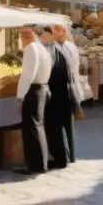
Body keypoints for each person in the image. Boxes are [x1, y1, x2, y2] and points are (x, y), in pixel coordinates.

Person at [45, 23, 81, 168]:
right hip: (68, 89)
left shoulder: (54, 49)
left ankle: (62, 157)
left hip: (60, 91)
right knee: (67, 125)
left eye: (57, 30)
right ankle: (70, 156)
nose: (56, 33)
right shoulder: (66, 47)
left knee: (57, 125)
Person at [17, 26, 52, 174]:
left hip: (34, 90)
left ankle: (35, 165)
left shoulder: (31, 48)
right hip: (42, 88)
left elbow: (27, 75)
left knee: (32, 129)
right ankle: (41, 163)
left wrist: (21, 95)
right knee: (38, 127)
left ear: (26, 35)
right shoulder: (42, 47)